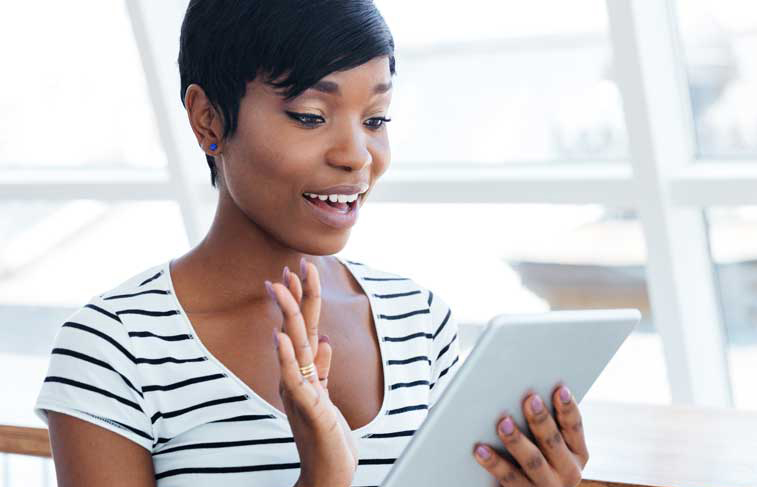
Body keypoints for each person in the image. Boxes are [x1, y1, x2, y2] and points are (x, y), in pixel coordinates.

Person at [32, 1, 590, 486]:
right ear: (208, 120)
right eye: (310, 116)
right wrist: (321, 478)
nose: (357, 155)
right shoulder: (116, 352)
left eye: (376, 118)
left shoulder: (419, 321)